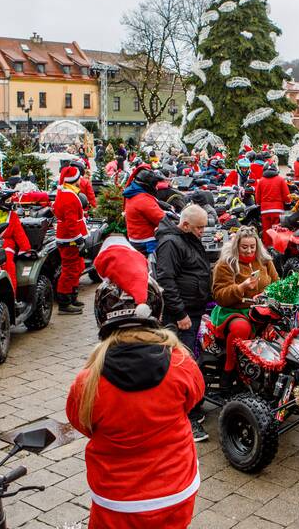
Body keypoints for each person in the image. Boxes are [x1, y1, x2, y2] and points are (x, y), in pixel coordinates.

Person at [66, 237, 203, 528]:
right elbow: (193, 400)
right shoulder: (182, 363)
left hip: (116, 499)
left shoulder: (87, 382)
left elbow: (82, 423)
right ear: (157, 310)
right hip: (176, 489)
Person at [153, 204, 211, 442]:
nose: (202, 232)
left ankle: (191, 405)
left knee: (189, 360)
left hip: (194, 309)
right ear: (185, 225)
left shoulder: (186, 237)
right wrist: (180, 314)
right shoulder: (170, 243)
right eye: (199, 228)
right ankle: (186, 417)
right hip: (182, 313)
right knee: (183, 363)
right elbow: (166, 280)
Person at [210, 227, 281, 385]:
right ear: (237, 246)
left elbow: (277, 284)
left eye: (252, 246)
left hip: (262, 310)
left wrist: (270, 294)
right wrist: (241, 288)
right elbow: (219, 295)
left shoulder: (264, 261)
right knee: (241, 328)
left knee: (295, 320)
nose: (249, 251)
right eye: (244, 247)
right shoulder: (226, 264)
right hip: (233, 310)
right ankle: (229, 370)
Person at [53, 165, 88, 314]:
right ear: (75, 180)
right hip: (70, 239)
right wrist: (79, 240)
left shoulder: (67, 193)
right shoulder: (68, 197)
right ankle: (64, 303)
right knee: (69, 270)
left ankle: (72, 297)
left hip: (70, 237)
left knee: (77, 267)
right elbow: (71, 222)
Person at [123, 167, 166, 255]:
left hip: (135, 238)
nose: (156, 188)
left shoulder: (133, 193)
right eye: (155, 185)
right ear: (148, 185)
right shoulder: (143, 200)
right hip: (147, 243)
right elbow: (161, 220)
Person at [255, 161, 289, 237]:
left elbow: (257, 197)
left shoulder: (261, 181)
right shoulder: (280, 180)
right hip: (278, 210)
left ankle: (267, 247)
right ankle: (276, 247)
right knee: (277, 231)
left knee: (267, 231)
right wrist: (288, 203)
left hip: (265, 210)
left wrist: (259, 204)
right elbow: (287, 195)